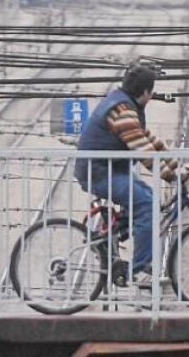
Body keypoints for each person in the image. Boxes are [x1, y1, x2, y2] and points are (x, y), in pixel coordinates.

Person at [74, 61, 180, 287]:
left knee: (149, 198)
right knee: (147, 205)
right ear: (146, 92)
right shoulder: (122, 111)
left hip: (108, 170)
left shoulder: (125, 105)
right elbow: (143, 151)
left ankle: (109, 237)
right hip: (100, 173)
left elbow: (149, 140)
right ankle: (139, 269)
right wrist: (171, 176)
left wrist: (176, 165)